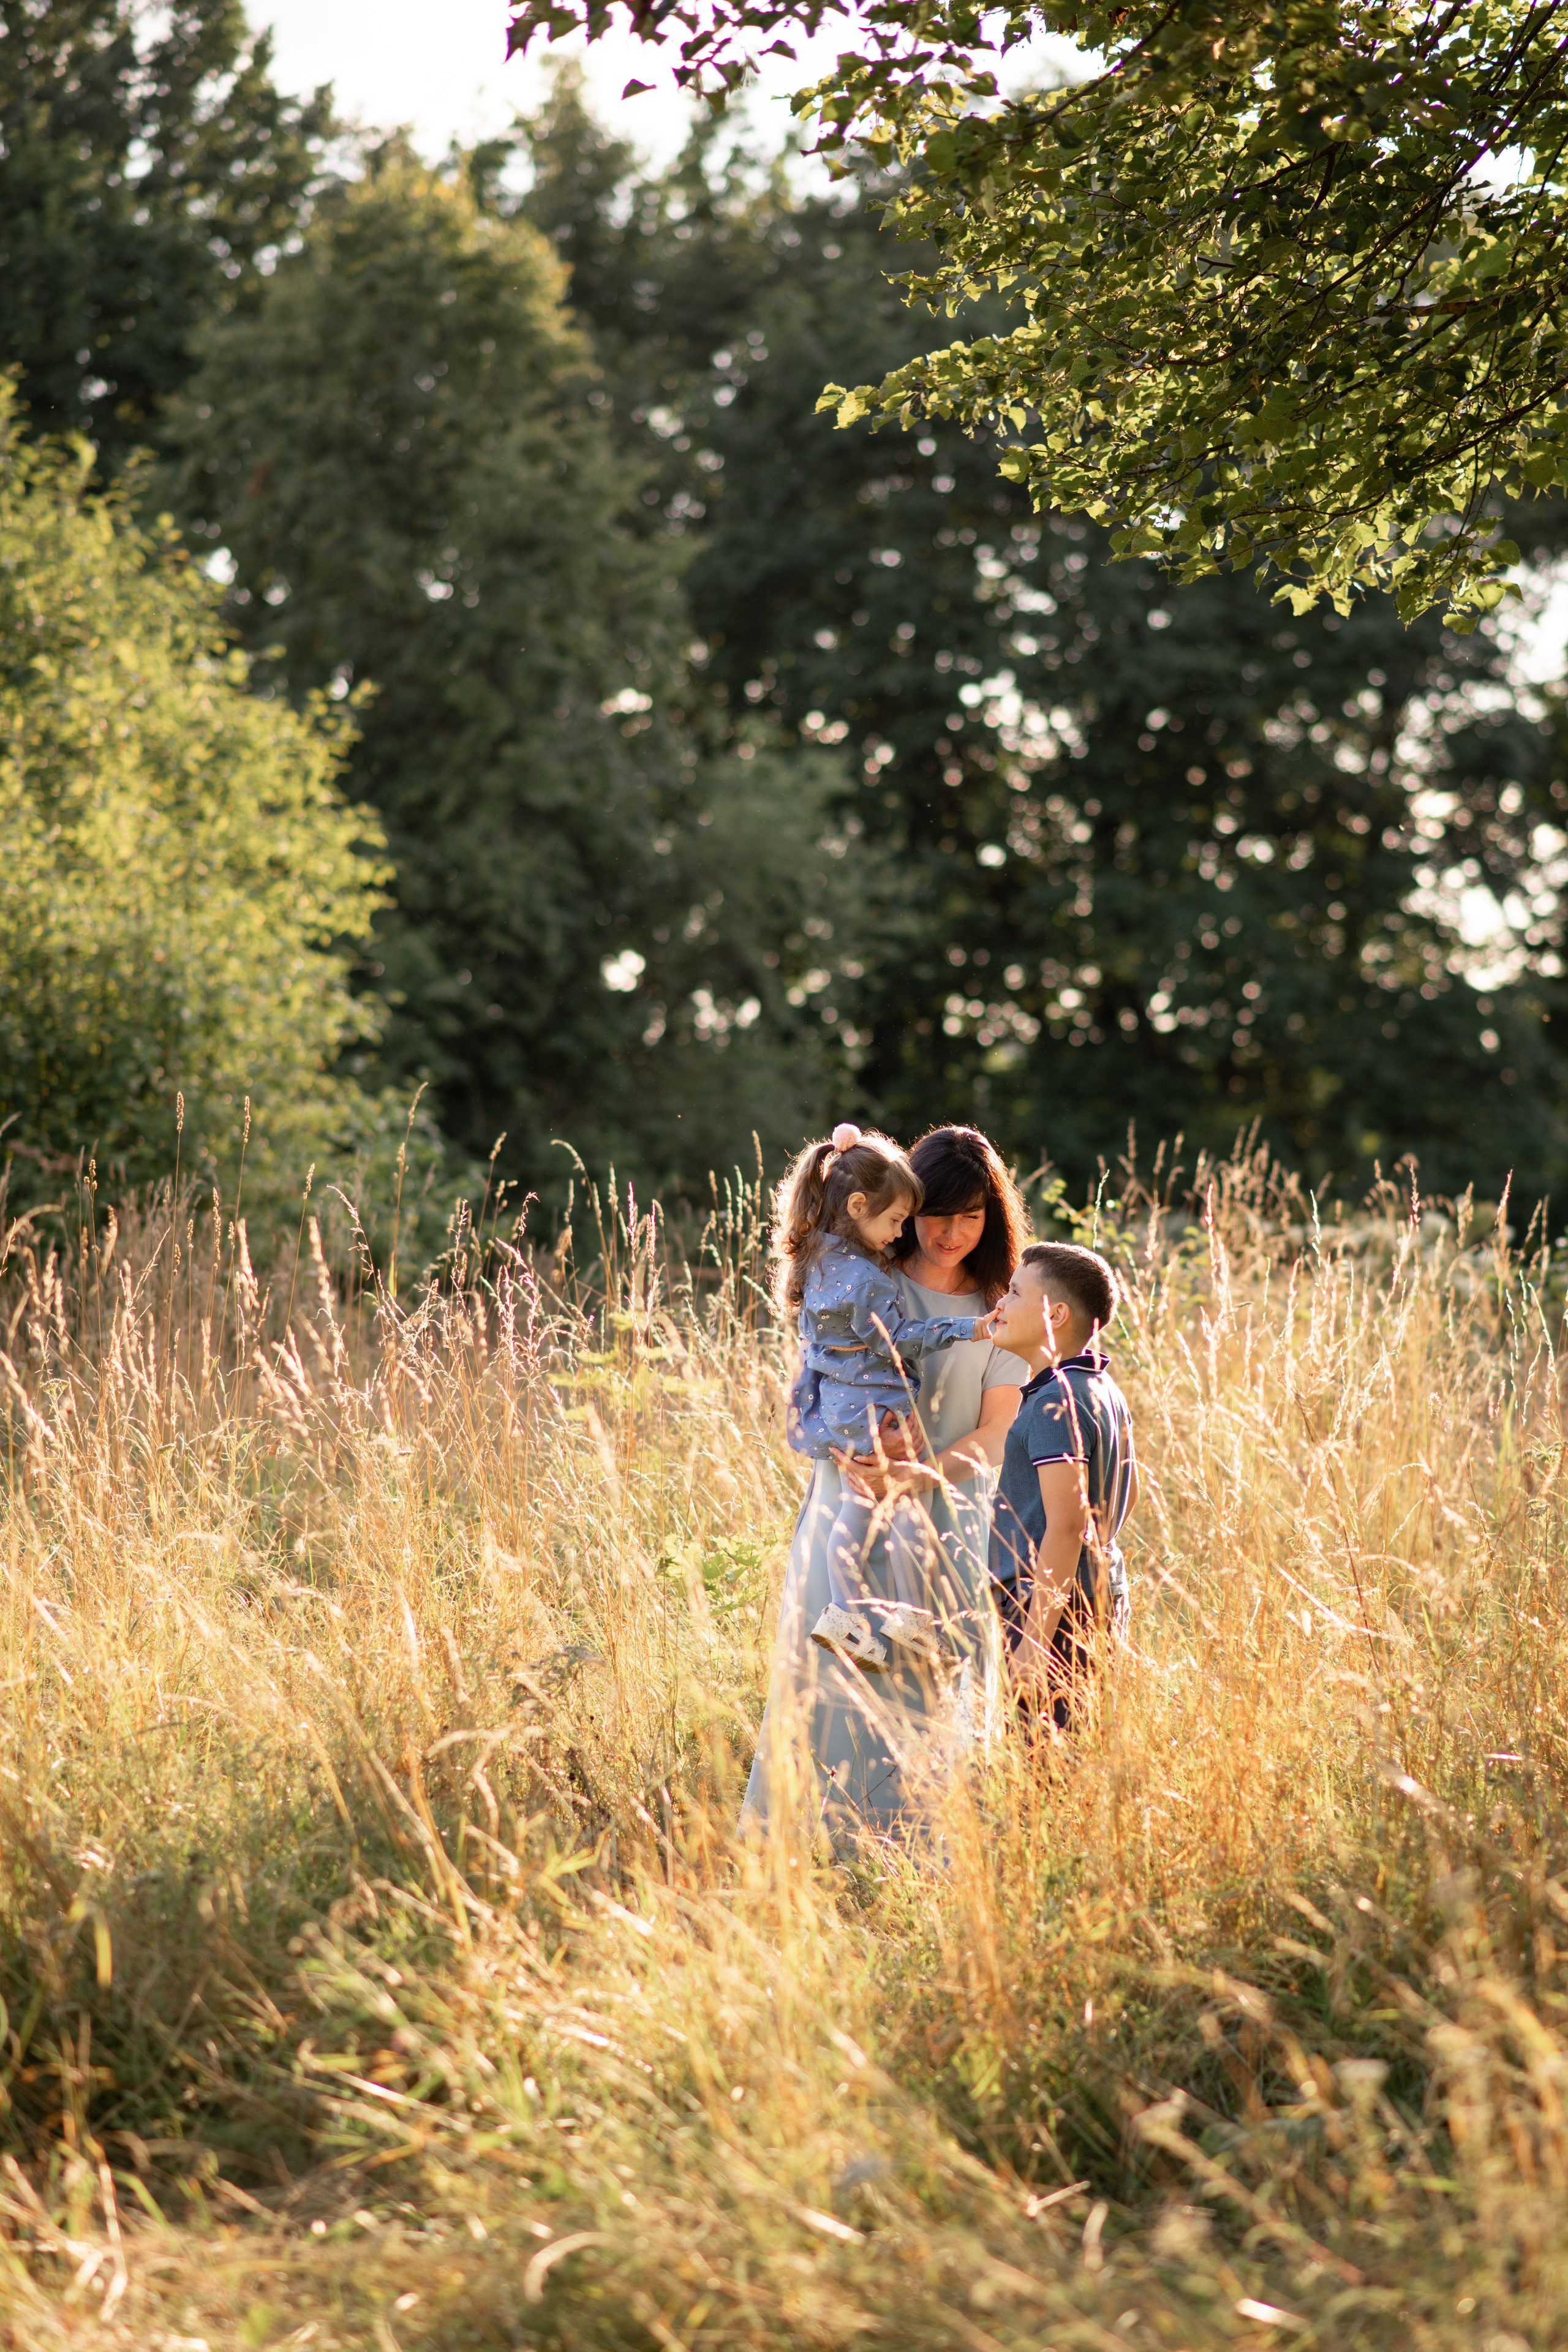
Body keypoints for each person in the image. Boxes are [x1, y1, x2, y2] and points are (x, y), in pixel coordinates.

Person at [742, 1125, 1030, 1839]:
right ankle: (809, 1855)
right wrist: (845, 1449)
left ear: (992, 1219)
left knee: (929, 1694)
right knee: (830, 1687)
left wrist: (915, 1473)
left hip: (947, 1519)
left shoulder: (1002, 1307)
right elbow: (825, 1373)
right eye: (936, 1212)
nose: (950, 1232)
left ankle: (919, 1868)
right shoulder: (862, 1278)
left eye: (973, 1216)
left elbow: (997, 1433)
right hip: (847, 1502)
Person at [775, 1123, 983, 1672]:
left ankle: (846, 1618)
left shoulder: (818, 1259)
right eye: (896, 1220)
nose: (899, 1233)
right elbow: (901, 1341)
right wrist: (965, 1330)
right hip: (874, 1406)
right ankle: (913, 1622)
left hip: (840, 1407)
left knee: (859, 1507)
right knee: (905, 1505)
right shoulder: (867, 1280)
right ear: (861, 1205)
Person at [981, 1240, 1138, 1731]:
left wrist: (1034, 1641)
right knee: (1072, 1760)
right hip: (1096, 1595)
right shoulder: (1101, 1388)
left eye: (1015, 1293)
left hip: (1046, 1613)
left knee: (1039, 1771)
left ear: (1057, 1315)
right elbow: (1123, 1499)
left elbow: (1067, 1528)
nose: (1001, 1304)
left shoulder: (1054, 1401)